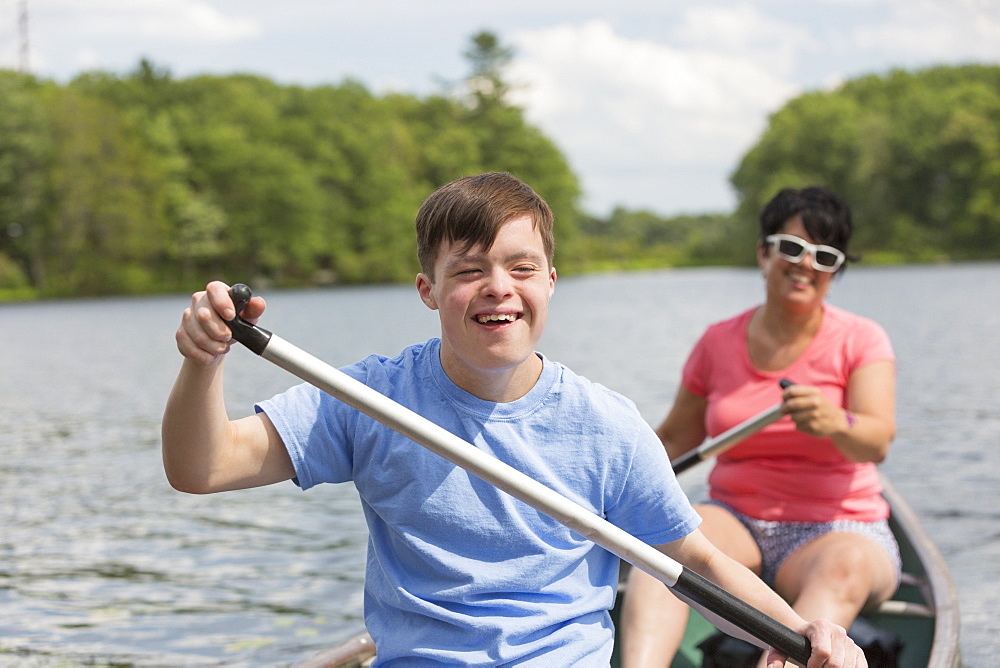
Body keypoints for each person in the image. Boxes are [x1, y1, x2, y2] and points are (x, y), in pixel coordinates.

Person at [162, 172, 865, 667]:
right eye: (469, 270)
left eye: (521, 267)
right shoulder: (368, 397)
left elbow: (699, 562)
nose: (499, 287)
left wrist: (806, 633)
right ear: (427, 290)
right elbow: (202, 468)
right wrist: (204, 362)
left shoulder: (604, 425)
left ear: (550, 281)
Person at [620, 185, 899, 666]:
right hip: (736, 516)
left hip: (839, 525)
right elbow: (673, 440)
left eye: (824, 256)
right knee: (660, 552)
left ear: (836, 271)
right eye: (792, 248)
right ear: (763, 253)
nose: (805, 264)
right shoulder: (717, 341)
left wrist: (836, 422)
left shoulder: (862, 338)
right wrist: (602, 482)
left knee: (843, 570)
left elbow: (877, 440)